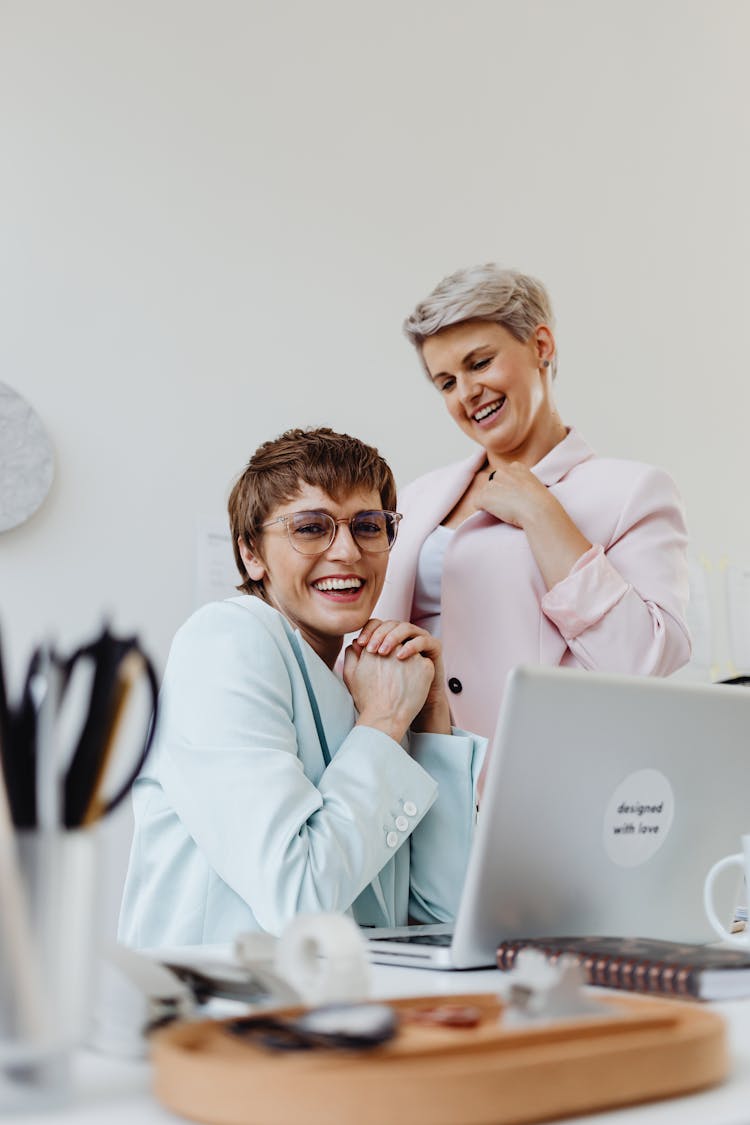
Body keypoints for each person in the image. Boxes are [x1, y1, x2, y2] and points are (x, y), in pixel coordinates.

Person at [119, 428, 484, 948]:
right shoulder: (226, 639)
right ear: (252, 554)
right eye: (311, 528)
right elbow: (299, 899)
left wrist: (430, 722)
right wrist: (382, 725)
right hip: (221, 1018)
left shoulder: (370, 686)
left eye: (368, 526)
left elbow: (445, 918)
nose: (347, 552)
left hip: (355, 1012)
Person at [373, 263, 691, 743]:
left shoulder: (632, 492)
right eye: (446, 382)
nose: (467, 393)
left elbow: (643, 662)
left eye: (479, 363)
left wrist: (542, 515)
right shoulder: (416, 497)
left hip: (537, 775)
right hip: (415, 775)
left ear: (541, 346)